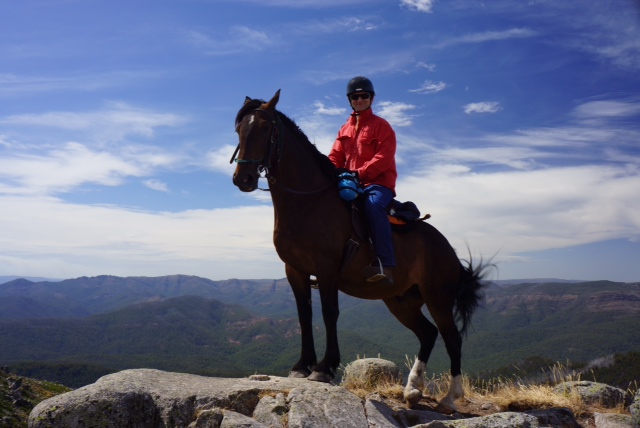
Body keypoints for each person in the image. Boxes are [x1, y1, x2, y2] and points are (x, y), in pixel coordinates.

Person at [328, 76, 397, 284]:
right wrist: (329, 172)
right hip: (350, 184)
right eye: (355, 96)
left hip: (378, 184)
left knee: (373, 205)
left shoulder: (382, 126)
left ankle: (385, 264)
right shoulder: (344, 129)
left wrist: (358, 173)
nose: (360, 100)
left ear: (372, 98)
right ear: (349, 100)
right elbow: (335, 157)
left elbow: (384, 159)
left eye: (364, 96)